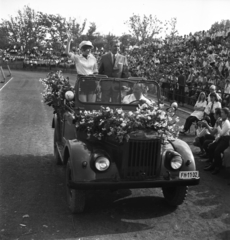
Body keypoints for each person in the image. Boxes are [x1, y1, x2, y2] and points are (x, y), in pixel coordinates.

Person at [66, 31, 98, 102]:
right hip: (82, 81)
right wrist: (69, 41)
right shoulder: (77, 58)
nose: (89, 50)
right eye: (87, 48)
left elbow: (95, 71)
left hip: (91, 81)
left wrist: (96, 82)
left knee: (91, 104)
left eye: (90, 48)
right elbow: (67, 53)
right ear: (82, 49)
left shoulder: (93, 58)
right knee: (82, 103)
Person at [204, 107, 230, 174]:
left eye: (222, 113)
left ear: (226, 114)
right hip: (221, 138)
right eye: (221, 112)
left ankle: (217, 167)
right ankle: (213, 164)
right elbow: (218, 133)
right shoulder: (222, 121)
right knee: (211, 147)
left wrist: (218, 125)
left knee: (217, 151)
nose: (221, 114)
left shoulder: (227, 123)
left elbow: (221, 133)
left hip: (226, 140)